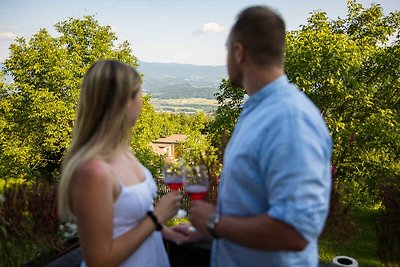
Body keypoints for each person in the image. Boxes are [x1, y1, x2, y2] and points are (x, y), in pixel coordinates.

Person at [186, 6, 332, 267]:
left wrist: (214, 222)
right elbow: (251, 202)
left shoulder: (289, 120)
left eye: (227, 49)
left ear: (239, 52)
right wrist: (213, 231)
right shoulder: (260, 110)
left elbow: (295, 231)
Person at [58, 60, 186, 267]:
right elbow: (98, 260)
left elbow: (130, 221)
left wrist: (168, 233)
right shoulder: (94, 170)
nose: (143, 101)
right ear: (125, 101)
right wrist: (157, 217)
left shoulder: (124, 151)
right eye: (139, 93)